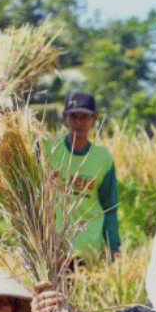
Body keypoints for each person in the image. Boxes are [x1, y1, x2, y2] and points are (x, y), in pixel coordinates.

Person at [46, 91, 120, 262]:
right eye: (73, 116)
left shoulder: (103, 159)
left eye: (84, 117)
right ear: (65, 118)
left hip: (89, 250)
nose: (78, 122)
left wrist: (113, 246)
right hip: (53, 249)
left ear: (94, 118)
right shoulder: (49, 150)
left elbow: (109, 207)